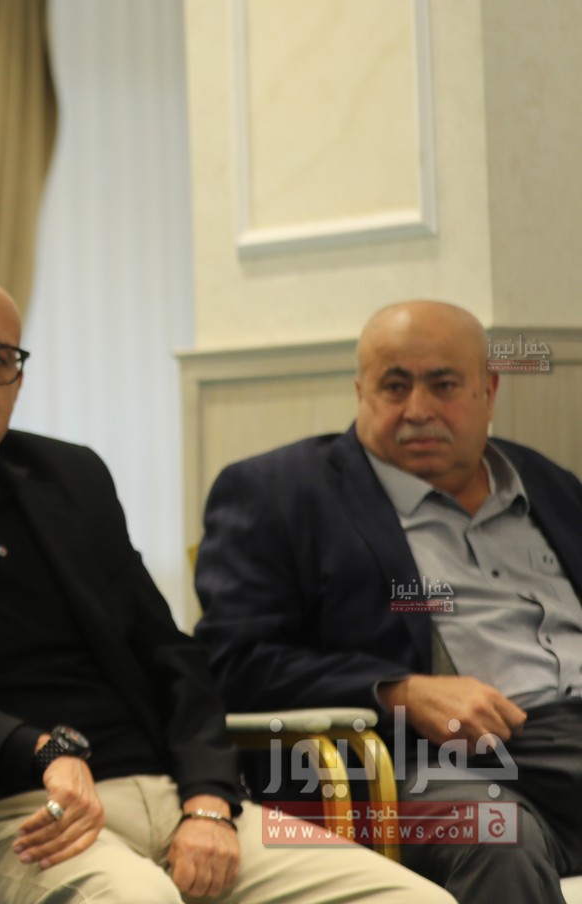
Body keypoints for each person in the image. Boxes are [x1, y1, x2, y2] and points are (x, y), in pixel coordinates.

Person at [0, 273, 450, 904]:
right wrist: (38, 750)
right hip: (14, 815)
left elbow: (171, 654)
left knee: (417, 900)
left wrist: (209, 800)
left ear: (16, 379)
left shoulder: (71, 479)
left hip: (177, 799)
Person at [196, 300, 582, 903]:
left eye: (443, 385)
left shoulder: (548, 484)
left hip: (561, 746)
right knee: (495, 834)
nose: (417, 410)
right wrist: (400, 692)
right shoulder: (277, 493)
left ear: (488, 390)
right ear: (361, 391)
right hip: (407, 759)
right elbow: (235, 663)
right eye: (395, 386)